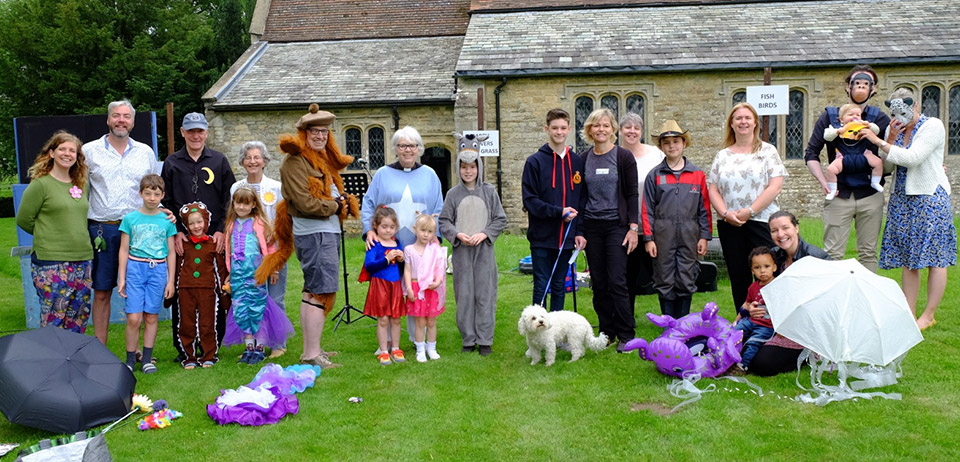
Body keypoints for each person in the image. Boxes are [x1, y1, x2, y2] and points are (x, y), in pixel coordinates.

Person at [257, 104, 360, 369]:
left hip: (325, 232)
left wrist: (342, 201)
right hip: (314, 234)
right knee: (319, 291)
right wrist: (335, 206)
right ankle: (311, 355)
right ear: (304, 133)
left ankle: (312, 349)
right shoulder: (294, 162)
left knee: (311, 292)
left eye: (324, 132)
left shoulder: (320, 159)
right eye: (314, 131)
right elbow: (303, 203)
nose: (320, 136)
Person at [859, 88, 957, 330]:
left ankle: (929, 315)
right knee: (909, 258)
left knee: (936, 258)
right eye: (894, 111)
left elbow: (913, 158)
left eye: (904, 111)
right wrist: (890, 139)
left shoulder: (932, 126)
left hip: (930, 196)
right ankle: (909, 313)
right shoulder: (894, 129)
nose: (899, 117)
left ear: (915, 106)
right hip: (903, 198)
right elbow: (889, 167)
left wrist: (878, 141)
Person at [83, 99, 162, 345]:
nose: (121, 120)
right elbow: (80, 191)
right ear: (108, 119)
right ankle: (100, 349)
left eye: (126, 116)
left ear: (133, 122)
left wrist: (162, 213)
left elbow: (154, 189)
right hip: (102, 229)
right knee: (103, 291)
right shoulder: (89, 151)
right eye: (116, 116)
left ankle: (135, 350)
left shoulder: (145, 152)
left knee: (137, 291)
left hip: (140, 231)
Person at [161, 112, 236, 361]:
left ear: (206, 133)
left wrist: (220, 230)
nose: (196, 135)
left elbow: (229, 198)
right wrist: (177, 233)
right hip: (183, 240)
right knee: (185, 291)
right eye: (191, 131)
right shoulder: (171, 163)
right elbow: (167, 200)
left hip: (213, 238)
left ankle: (212, 345)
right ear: (182, 132)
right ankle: (184, 347)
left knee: (214, 289)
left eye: (200, 131)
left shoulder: (219, 161)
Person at [361, 126, 443, 344]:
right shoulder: (382, 175)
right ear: (396, 149)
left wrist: (436, 235)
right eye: (403, 146)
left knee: (416, 287)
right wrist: (369, 230)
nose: (408, 150)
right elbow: (368, 204)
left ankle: (418, 337)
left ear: (419, 148)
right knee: (391, 289)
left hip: (419, 245)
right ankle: (388, 339)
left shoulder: (430, 175)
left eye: (412, 146)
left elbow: (438, 207)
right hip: (388, 246)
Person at [805, 65, 891, 272]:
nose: (861, 86)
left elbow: (896, 151)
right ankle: (833, 302)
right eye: (857, 82)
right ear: (848, 86)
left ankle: (865, 302)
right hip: (839, 194)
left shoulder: (880, 119)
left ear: (873, 88)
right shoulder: (831, 118)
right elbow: (811, 153)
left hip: (870, 194)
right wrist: (824, 181)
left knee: (868, 253)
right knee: (833, 254)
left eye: (867, 82)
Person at [707, 102, 786, 312]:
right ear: (731, 124)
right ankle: (744, 322)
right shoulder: (722, 156)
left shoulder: (768, 151)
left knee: (766, 272)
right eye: (738, 118)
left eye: (747, 118)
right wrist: (725, 213)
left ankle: (771, 320)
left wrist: (750, 211)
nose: (743, 122)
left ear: (755, 123)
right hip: (730, 223)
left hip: (761, 221)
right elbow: (712, 189)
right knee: (738, 274)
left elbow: (775, 185)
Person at [16, 131, 93, 333]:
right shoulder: (40, 185)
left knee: (78, 317)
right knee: (54, 318)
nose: (67, 154)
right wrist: (48, 233)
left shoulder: (81, 185)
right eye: (62, 149)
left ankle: (72, 361)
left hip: (82, 259)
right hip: (51, 261)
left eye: (72, 150)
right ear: (51, 153)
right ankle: (48, 362)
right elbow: (24, 219)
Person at [578, 108, 639, 352]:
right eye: (596, 125)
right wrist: (579, 230)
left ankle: (626, 333)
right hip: (592, 227)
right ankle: (606, 332)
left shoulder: (623, 157)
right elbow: (579, 196)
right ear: (589, 130)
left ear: (613, 129)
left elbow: (633, 193)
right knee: (599, 282)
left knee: (617, 281)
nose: (601, 129)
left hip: (617, 226)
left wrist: (633, 227)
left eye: (605, 125)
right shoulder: (582, 159)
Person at [439, 148, 506, 356]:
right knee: (465, 294)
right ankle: (468, 339)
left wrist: (485, 234)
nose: (468, 171)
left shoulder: (489, 192)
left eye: (472, 167)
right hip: (462, 252)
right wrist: (457, 235)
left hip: (484, 251)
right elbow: (444, 221)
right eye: (464, 167)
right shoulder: (453, 194)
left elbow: (499, 219)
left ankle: (485, 339)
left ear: (479, 168)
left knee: (485, 294)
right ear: (459, 168)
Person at [641, 120, 711, 318]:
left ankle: (683, 324)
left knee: (686, 275)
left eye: (676, 141)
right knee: (664, 276)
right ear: (661, 146)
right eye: (667, 142)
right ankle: (668, 324)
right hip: (663, 235)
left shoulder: (697, 175)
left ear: (684, 143)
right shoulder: (654, 175)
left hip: (690, 234)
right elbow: (647, 209)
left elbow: (704, 208)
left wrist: (704, 236)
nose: (672, 146)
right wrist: (649, 238)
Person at [748, 211, 829, 376]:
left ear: (796, 228)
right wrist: (755, 307)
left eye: (785, 228)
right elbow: (763, 291)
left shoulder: (817, 258)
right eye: (774, 230)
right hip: (776, 324)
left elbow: (827, 302)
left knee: (761, 365)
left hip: (807, 329)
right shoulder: (772, 256)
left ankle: (810, 354)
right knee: (742, 345)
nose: (781, 234)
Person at [521, 108, 585, 312]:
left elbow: (582, 199)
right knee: (542, 285)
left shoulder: (577, 162)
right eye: (555, 128)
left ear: (569, 129)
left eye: (563, 128)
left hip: (566, 238)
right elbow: (530, 200)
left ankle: (556, 331)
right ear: (547, 129)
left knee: (559, 286)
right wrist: (558, 212)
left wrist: (580, 231)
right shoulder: (534, 162)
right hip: (541, 236)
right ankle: (537, 334)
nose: (559, 132)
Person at [222, 187, 295, 365]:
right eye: (238, 202)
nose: (241, 207)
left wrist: (273, 269)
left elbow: (270, 249)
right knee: (241, 310)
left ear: (253, 205)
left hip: (256, 276)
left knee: (258, 310)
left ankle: (260, 347)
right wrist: (230, 273)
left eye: (246, 203)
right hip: (239, 276)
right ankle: (249, 347)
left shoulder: (259, 223)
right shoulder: (231, 225)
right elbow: (229, 251)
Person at [230, 141, 288, 357]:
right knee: (250, 298)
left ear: (265, 161)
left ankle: (278, 344)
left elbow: (283, 219)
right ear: (243, 162)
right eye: (248, 157)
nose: (252, 161)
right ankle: (255, 343)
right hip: (248, 256)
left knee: (274, 298)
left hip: (273, 251)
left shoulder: (276, 187)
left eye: (257, 157)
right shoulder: (236, 188)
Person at [117, 174, 177, 373]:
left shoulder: (167, 220)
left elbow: (171, 252)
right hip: (135, 268)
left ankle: (147, 359)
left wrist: (170, 281)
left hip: (157, 270)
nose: (152, 198)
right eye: (148, 193)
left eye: (156, 194)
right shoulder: (130, 219)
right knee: (134, 317)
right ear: (141, 193)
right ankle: (130, 358)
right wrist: (122, 277)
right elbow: (124, 249)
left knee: (151, 316)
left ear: (162, 196)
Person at [172, 202, 227, 370]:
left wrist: (223, 288)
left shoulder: (213, 244)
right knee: (186, 323)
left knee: (207, 322)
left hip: (207, 289)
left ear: (206, 222)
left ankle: (208, 354)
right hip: (185, 289)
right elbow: (177, 268)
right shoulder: (182, 245)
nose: (196, 226)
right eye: (192, 223)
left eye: (199, 222)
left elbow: (220, 268)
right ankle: (189, 356)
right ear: (186, 225)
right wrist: (173, 287)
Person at [620, 112, 664, 308]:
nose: (632, 131)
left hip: (654, 223)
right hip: (626, 225)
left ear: (641, 131)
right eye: (628, 127)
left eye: (636, 128)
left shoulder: (656, 154)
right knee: (627, 274)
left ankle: (669, 318)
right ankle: (626, 318)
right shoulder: (615, 155)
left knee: (660, 272)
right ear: (620, 131)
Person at [362, 206, 407, 365]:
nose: (388, 230)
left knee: (396, 319)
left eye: (392, 227)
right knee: (383, 319)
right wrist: (386, 259)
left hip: (394, 286)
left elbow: (401, 263)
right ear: (376, 226)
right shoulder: (375, 244)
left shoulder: (396, 242)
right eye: (384, 226)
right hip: (380, 285)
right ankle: (383, 350)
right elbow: (369, 266)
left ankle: (396, 348)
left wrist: (401, 258)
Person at [406, 214, 449, 362]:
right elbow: (407, 270)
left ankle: (432, 348)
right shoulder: (409, 250)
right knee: (420, 322)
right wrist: (409, 289)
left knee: (431, 321)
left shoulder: (435, 250)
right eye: (423, 230)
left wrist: (437, 282)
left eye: (430, 232)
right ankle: (420, 349)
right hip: (417, 287)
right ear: (415, 229)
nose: (426, 234)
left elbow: (439, 268)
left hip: (431, 289)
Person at [731, 247, 778, 372]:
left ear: (774, 267)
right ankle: (727, 358)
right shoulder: (753, 287)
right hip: (751, 321)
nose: (762, 271)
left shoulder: (779, 286)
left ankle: (743, 366)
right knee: (733, 333)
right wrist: (736, 321)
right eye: (757, 268)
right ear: (752, 270)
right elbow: (747, 304)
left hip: (767, 326)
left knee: (753, 343)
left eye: (766, 266)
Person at [823, 104, 883, 200]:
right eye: (851, 115)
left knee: (878, 162)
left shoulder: (863, 127)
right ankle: (833, 189)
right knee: (831, 169)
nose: (855, 117)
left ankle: (875, 182)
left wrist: (869, 125)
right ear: (841, 119)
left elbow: (876, 130)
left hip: (863, 153)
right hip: (843, 155)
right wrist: (838, 131)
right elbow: (827, 136)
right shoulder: (836, 128)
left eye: (858, 115)